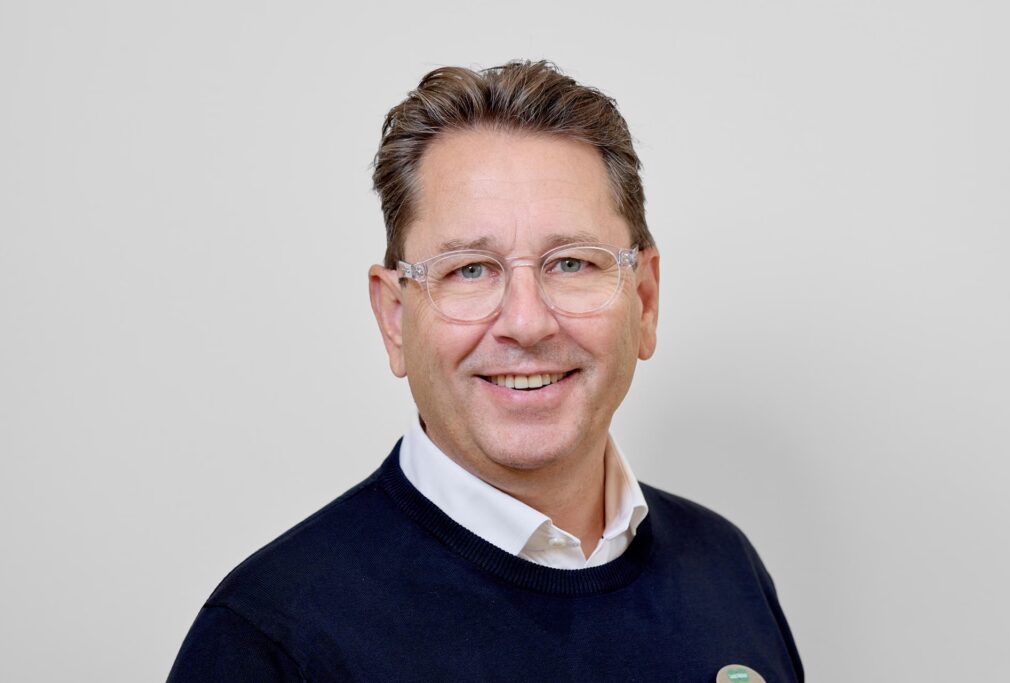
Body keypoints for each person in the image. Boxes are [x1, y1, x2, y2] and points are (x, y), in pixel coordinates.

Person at [168, 60, 803, 683]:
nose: (527, 323)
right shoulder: (271, 642)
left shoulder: (727, 570)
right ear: (395, 319)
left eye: (572, 263)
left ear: (644, 300)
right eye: (469, 269)